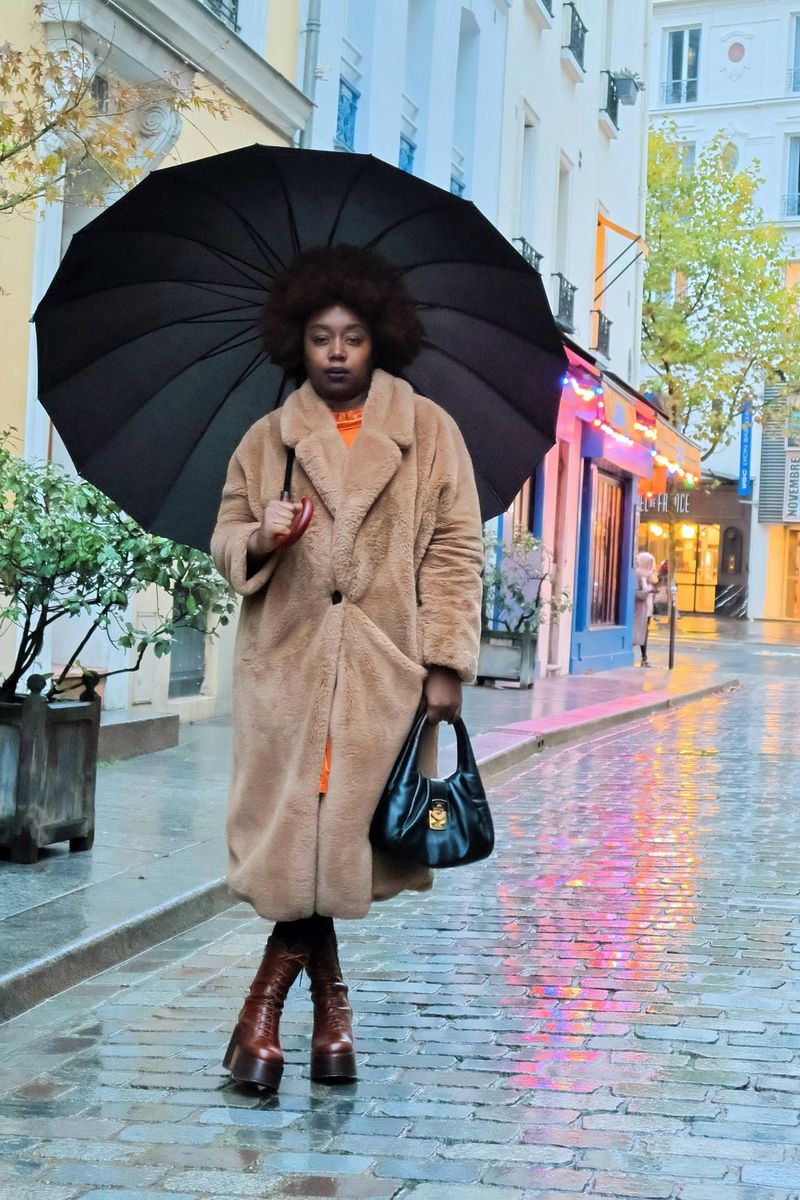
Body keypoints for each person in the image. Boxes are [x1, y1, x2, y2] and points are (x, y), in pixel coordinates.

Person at [210, 245, 484, 1092]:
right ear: (295, 340)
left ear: (380, 341)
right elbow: (223, 535)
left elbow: (455, 549)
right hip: (287, 672)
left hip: (381, 671)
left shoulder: (429, 431)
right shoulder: (268, 438)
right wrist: (263, 536)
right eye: (321, 336)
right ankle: (331, 1022)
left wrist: (444, 663)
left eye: (353, 336)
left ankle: (264, 1022)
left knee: (337, 836)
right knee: (302, 841)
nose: (335, 351)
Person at [633, 550, 657, 666]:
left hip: (646, 610)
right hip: (638, 610)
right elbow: (636, 593)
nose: (651, 565)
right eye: (649, 562)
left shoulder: (647, 575)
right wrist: (649, 591)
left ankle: (644, 658)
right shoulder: (637, 574)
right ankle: (642, 658)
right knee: (637, 633)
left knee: (644, 634)